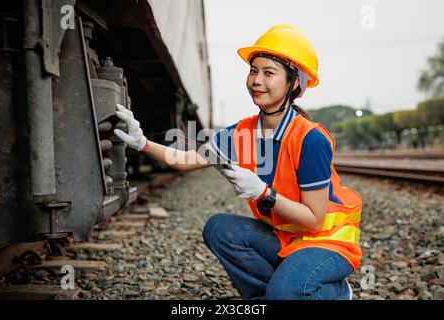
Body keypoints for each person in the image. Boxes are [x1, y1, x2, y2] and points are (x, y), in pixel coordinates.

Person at [114, 24, 362, 300]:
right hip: (285, 237)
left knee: (285, 293)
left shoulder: (311, 139)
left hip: (327, 242)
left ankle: (336, 293)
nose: (256, 80)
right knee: (220, 229)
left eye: (269, 73)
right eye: (253, 70)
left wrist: (262, 193)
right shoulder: (242, 132)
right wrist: (142, 142)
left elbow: (315, 221)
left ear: (294, 85)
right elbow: (185, 160)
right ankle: (279, 293)